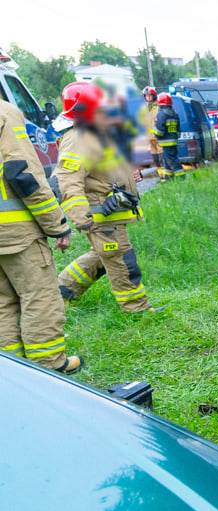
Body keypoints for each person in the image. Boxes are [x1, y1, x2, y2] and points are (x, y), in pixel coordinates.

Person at [54, 81, 157, 313]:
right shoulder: (78, 138)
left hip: (111, 214)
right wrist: (81, 217)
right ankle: (136, 309)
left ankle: (61, 291)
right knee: (121, 258)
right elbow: (69, 179)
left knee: (103, 256)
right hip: (100, 215)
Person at [0, 99, 82, 373]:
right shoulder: (5, 113)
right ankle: (49, 368)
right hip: (15, 233)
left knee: (2, 303)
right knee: (40, 298)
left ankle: (14, 372)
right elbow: (21, 173)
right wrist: (56, 224)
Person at [152, 92, 183, 179]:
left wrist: (153, 131)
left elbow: (159, 132)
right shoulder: (174, 113)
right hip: (173, 141)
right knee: (167, 160)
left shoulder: (161, 114)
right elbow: (178, 130)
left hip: (165, 142)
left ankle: (182, 178)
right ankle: (168, 178)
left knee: (172, 161)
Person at [138, 86, 161, 168]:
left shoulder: (159, 106)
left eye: (149, 95)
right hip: (150, 137)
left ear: (154, 95)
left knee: (162, 156)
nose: (148, 97)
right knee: (155, 158)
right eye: (146, 96)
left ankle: (167, 175)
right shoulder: (144, 108)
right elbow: (141, 121)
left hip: (159, 136)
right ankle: (161, 175)